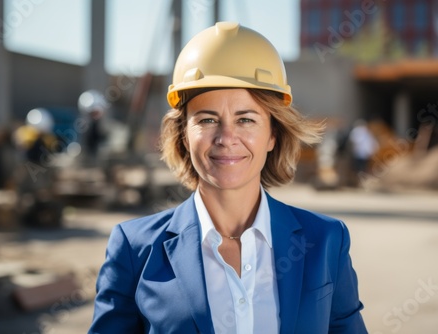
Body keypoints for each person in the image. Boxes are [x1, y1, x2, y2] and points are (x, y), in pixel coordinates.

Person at [90, 22, 367, 333]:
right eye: (208, 119)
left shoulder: (326, 239)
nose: (226, 137)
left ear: (272, 135)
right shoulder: (135, 249)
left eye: (246, 119)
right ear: (183, 135)